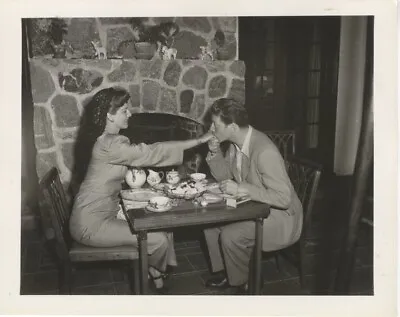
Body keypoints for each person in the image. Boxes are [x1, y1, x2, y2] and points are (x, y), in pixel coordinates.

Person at [68, 87, 213, 293]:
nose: (130, 113)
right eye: (124, 110)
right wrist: (199, 140)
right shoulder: (111, 143)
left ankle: (154, 271)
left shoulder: (103, 139)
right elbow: (153, 152)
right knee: (158, 238)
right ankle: (156, 271)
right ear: (109, 115)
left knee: (162, 221)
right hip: (91, 224)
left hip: (100, 212)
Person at [203, 98, 303, 294]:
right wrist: (214, 153)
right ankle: (229, 272)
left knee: (232, 235)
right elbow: (226, 178)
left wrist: (244, 188)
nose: (211, 128)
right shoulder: (237, 143)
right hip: (256, 207)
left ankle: (242, 283)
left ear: (232, 126)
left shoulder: (264, 151)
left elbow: (283, 199)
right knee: (210, 224)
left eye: (215, 124)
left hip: (280, 217)